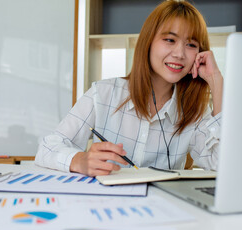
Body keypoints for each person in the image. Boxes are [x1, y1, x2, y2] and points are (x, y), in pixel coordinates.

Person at [35, 0, 223, 177]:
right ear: (148, 42)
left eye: (191, 45)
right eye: (169, 40)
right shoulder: (103, 93)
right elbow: (47, 148)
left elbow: (221, 165)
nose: (180, 54)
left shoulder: (195, 111)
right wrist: (80, 160)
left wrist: (217, 83)